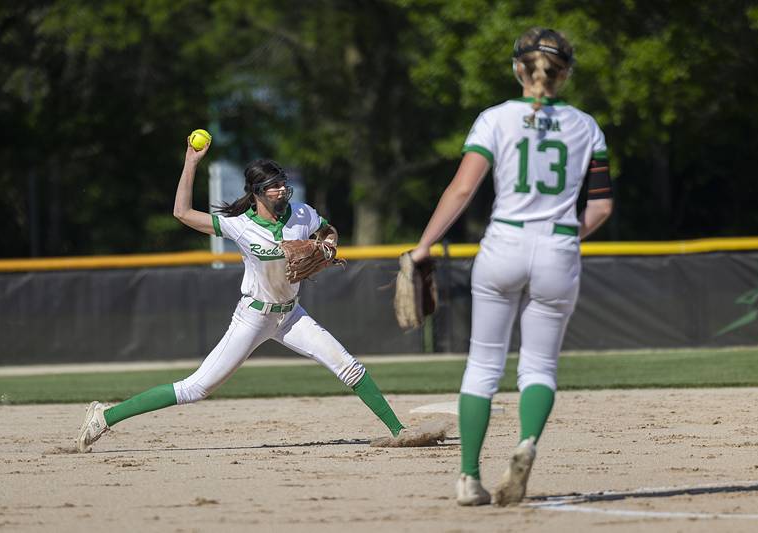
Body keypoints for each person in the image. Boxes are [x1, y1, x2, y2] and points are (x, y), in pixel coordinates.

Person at [77, 139, 408, 452]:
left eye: (282, 182)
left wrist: (330, 244)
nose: (281, 189)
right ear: (256, 194)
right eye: (272, 186)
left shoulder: (302, 213)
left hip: (291, 315)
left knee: (347, 366)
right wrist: (191, 162)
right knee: (196, 388)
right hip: (255, 316)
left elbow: (326, 230)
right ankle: (105, 417)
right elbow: (182, 213)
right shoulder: (239, 224)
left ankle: (400, 432)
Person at [409, 28, 613, 506]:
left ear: (519, 69)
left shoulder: (495, 119)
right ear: (564, 74)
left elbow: (462, 190)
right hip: (559, 250)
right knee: (539, 366)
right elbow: (601, 209)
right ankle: (526, 444)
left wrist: (423, 247)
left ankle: (468, 478)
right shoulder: (587, 126)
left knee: (483, 365)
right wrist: (563, 236)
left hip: (504, 243)